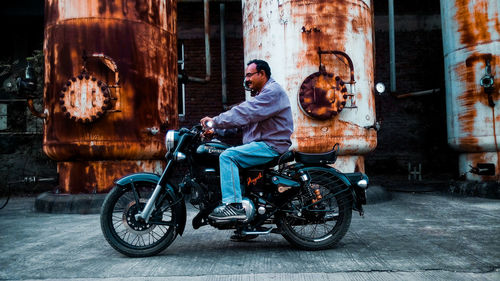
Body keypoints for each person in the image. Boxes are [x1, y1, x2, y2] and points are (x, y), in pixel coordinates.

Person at [200, 59, 294, 221]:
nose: (247, 79)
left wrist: (214, 121)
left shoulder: (272, 92)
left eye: (249, 75)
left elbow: (244, 113)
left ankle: (234, 206)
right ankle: (247, 224)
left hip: (270, 146)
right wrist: (214, 131)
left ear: (262, 74)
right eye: (246, 76)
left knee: (228, 156)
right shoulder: (261, 97)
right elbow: (240, 123)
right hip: (260, 145)